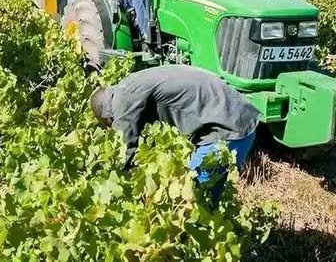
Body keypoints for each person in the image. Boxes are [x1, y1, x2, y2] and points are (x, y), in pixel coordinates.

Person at [90, 65, 259, 200]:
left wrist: (124, 190)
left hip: (228, 131)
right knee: (209, 202)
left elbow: (126, 151)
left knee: (191, 198)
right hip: (241, 119)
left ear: (109, 116)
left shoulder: (123, 98)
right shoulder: (132, 83)